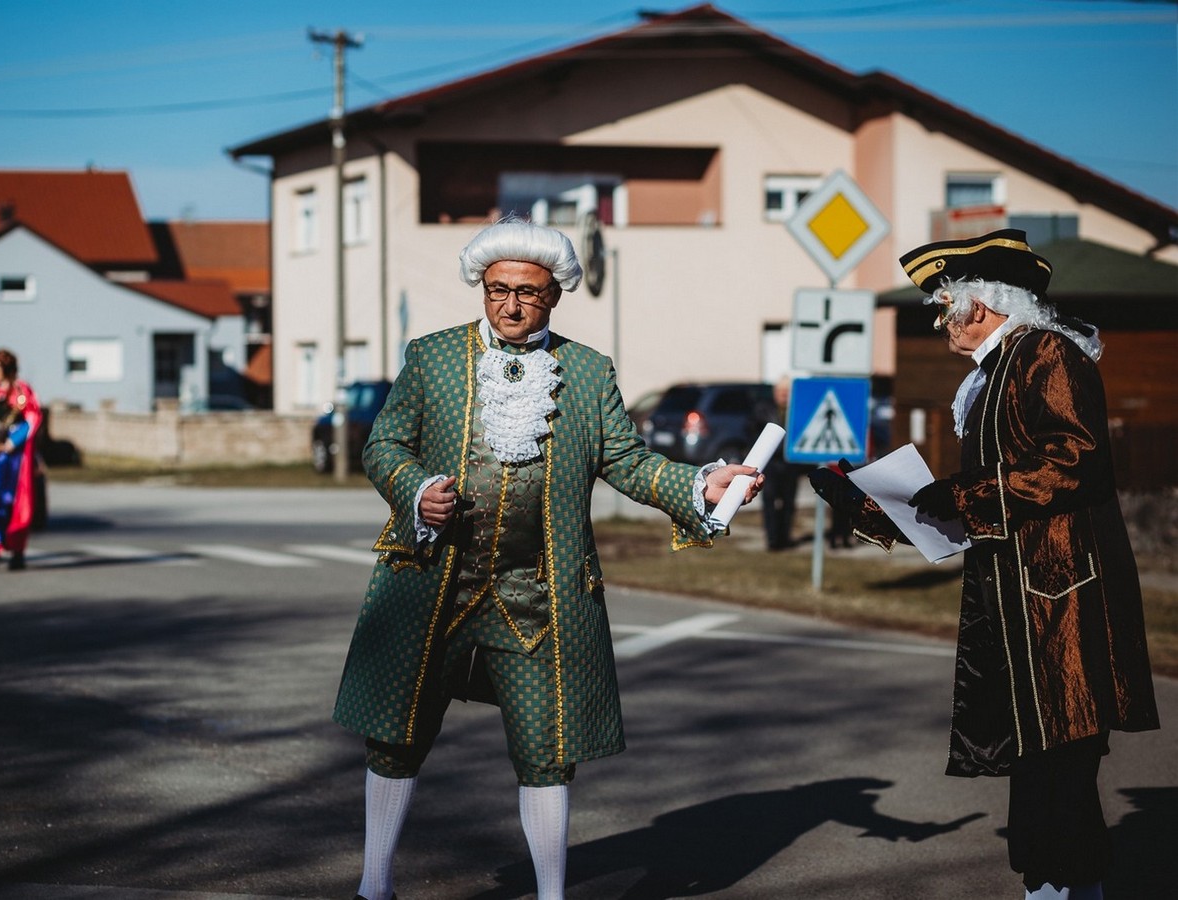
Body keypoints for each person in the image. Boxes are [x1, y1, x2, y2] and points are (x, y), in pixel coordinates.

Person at [333, 218, 764, 900]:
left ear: (554, 296)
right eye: (498, 289)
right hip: (433, 584)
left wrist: (697, 481)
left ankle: (552, 896)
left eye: (528, 294)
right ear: (482, 287)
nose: (510, 305)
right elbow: (385, 446)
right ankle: (374, 885)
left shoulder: (588, 373)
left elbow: (625, 461)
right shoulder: (432, 357)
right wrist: (415, 491)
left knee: (548, 751)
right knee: (397, 735)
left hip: (539, 592)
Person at [813, 229, 1159, 899]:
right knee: (1036, 763)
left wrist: (967, 493)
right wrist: (861, 505)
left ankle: (1064, 888)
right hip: (1016, 596)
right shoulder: (999, 368)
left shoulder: (1047, 353)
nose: (941, 321)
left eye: (944, 306)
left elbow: (1073, 460)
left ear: (983, 303)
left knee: (1060, 764)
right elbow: (962, 504)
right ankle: (1049, 888)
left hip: (1061, 596)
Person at [0, 349, 42, 571]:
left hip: (13, 458)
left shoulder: (21, 391)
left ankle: (17, 552)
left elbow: (32, 417)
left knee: (10, 501)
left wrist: (12, 442)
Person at [759, 375, 810, 551]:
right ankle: (772, 539)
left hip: (790, 464)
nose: (783, 395)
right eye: (781, 391)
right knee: (770, 502)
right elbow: (753, 433)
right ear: (775, 393)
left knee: (788, 503)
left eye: (787, 392)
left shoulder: (798, 411)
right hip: (771, 464)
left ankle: (785, 537)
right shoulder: (763, 410)